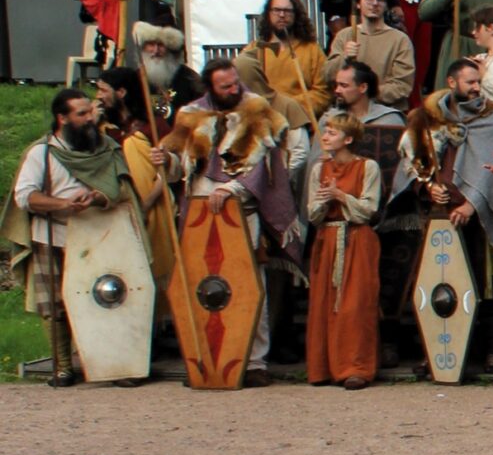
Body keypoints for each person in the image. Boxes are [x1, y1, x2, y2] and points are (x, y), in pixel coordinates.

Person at [159, 61, 300, 385]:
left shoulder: (255, 110)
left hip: (240, 213)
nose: (234, 89)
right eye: (226, 86)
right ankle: (205, 361)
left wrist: (232, 188)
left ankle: (253, 363)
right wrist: (164, 160)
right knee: (202, 289)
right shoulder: (190, 115)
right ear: (210, 88)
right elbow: (179, 170)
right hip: (199, 217)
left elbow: (264, 167)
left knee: (248, 288)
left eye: (235, 82)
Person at [4, 88, 153, 386]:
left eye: (90, 112)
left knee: (109, 297)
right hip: (53, 235)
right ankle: (63, 367)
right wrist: (61, 204)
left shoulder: (106, 148)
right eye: (81, 114)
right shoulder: (42, 153)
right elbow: (25, 196)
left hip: (101, 234)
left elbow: (123, 189)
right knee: (56, 303)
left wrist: (98, 197)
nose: (90, 119)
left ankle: (115, 366)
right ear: (62, 118)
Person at [409, 58, 493, 376]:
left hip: (479, 214)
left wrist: (471, 204)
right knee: (438, 281)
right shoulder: (428, 117)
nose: (476, 87)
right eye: (470, 82)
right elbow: (417, 161)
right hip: (440, 214)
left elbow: (490, 168)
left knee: (487, 284)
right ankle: (435, 351)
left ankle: (492, 351)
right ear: (451, 82)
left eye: (478, 82)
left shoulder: (490, 116)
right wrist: (429, 187)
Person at [301, 114, 382, 389]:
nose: (325, 137)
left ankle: (356, 367)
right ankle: (323, 367)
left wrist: (341, 196)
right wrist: (325, 201)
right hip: (327, 239)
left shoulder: (367, 167)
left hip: (356, 239)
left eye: (332, 133)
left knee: (355, 305)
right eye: (325, 131)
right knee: (324, 303)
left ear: (348, 139)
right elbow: (312, 214)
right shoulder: (319, 169)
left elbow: (369, 209)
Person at [238, 0, 331, 124]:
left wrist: (288, 107)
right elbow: (241, 87)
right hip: (262, 122)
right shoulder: (254, 50)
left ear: (296, 15)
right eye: (277, 10)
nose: (282, 15)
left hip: (298, 122)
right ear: (268, 14)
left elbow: (323, 93)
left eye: (287, 11)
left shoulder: (312, 50)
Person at [328, 0, 417, 106]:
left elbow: (402, 86)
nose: (375, 3)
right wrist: (344, 58)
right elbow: (328, 76)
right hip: (347, 109)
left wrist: (363, 95)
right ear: (358, 3)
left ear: (386, 6)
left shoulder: (400, 40)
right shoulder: (344, 36)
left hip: (385, 111)